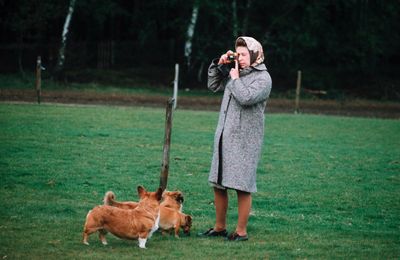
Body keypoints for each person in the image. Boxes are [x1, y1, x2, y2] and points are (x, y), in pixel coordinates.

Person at [198, 36, 272, 241]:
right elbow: (213, 85)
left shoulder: (263, 79)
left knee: (242, 186)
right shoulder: (234, 71)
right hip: (224, 136)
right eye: (237, 54)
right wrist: (218, 65)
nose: (240, 58)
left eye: (244, 54)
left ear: (255, 54)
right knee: (219, 183)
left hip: (245, 140)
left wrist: (235, 78)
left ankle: (241, 231)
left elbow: (246, 98)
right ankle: (219, 227)